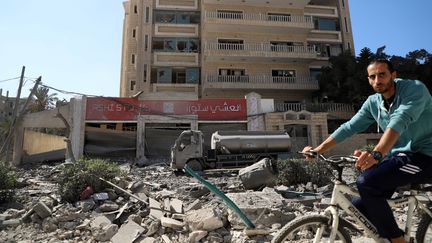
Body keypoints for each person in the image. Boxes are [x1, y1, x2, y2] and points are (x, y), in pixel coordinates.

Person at [303, 58, 432, 243]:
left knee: (366, 181)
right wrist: (318, 150)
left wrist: (377, 153)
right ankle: (390, 236)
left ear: (393, 75)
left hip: (425, 156)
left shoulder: (415, 90)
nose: (378, 80)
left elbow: (400, 119)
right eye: (373, 76)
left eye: (382, 75)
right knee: (359, 208)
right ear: (369, 80)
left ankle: (398, 240)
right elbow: (349, 127)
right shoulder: (374, 102)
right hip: (400, 157)